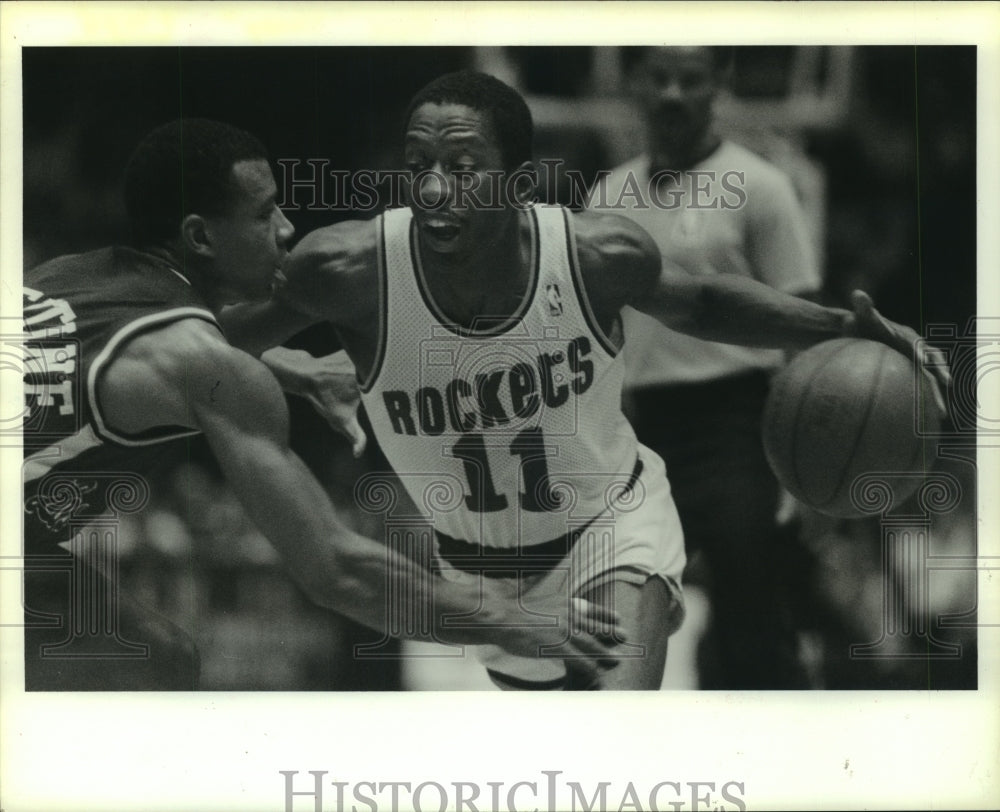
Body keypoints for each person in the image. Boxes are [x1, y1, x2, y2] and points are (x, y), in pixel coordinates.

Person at [223, 71, 947, 691]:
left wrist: (837, 327)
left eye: (464, 167)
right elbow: (203, 341)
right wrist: (292, 368)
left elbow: (702, 300)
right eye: (418, 165)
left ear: (519, 179)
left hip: (612, 525)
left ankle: (648, 601)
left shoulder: (595, 252)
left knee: (614, 728)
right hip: (482, 573)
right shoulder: (349, 272)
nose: (435, 188)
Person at [20, 118, 623, 691]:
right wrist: (516, 621)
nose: (286, 228)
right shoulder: (210, 369)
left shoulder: (72, 275)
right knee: (153, 664)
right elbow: (335, 571)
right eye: (263, 214)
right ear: (200, 237)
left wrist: (294, 367)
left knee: (158, 657)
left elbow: (159, 353)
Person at [591, 46, 821, 688]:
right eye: (657, 77)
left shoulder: (763, 185)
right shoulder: (608, 194)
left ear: (719, 83)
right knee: (619, 605)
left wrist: (803, 460)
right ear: (633, 84)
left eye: (689, 79)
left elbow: (799, 324)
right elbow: (595, 331)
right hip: (641, 428)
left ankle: (774, 767)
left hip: (740, 420)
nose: (671, 93)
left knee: (750, 614)